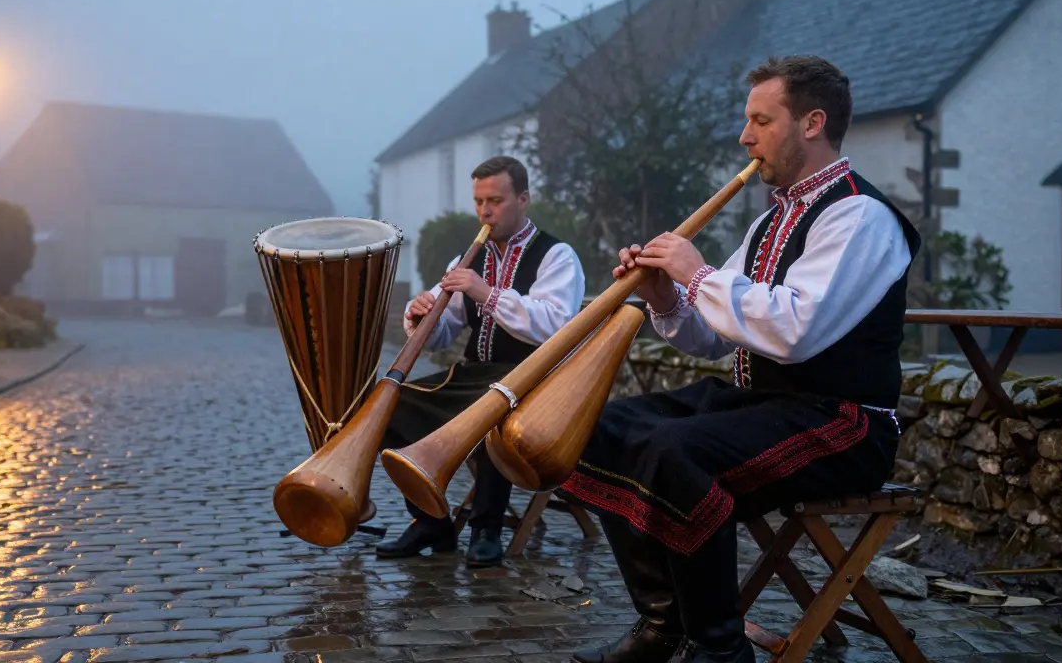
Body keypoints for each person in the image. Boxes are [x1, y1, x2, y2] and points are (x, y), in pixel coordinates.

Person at [561, 55, 921, 663]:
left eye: (760, 120)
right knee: (599, 429)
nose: (744, 136)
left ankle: (720, 646)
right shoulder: (768, 224)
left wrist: (696, 272)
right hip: (764, 406)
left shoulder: (861, 217)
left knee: (676, 452)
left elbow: (793, 332)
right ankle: (661, 624)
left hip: (841, 423)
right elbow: (715, 334)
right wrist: (665, 294)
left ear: (811, 123)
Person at [375, 154, 586, 567]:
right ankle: (431, 521)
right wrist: (421, 318)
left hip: (533, 382)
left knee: (490, 408)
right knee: (389, 407)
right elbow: (441, 336)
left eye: (496, 200)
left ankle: (486, 527)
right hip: (473, 374)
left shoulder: (556, 256)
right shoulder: (466, 260)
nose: (485, 212)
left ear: (523, 199)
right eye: (479, 201)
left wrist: (485, 293)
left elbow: (556, 327)